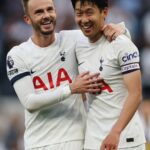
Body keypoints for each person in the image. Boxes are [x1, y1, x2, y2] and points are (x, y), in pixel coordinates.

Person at [6, 0, 127, 150]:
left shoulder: (74, 39)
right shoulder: (17, 55)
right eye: (39, 12)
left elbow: (113, 40)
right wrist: (71, 88)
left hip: (78, 140)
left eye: (49, 9)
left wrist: (120, 29)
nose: (46, 15)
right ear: (27, 19)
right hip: (40, 143)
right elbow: (30, 102)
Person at [71, 0, 146, 150]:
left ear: (104, 12)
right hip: (93, 142)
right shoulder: (77, 46)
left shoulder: (121, 44)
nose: (84, 19)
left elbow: (136, 94)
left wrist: (116, 132)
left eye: (89, 12)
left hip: (126, 141)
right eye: (79, 14)